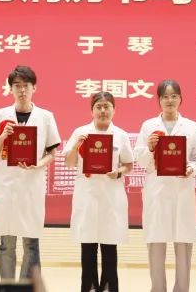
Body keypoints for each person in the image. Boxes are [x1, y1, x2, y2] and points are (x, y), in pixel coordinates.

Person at [0, 65, 62, 281]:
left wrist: (38, 164)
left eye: (26, 85)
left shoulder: (45, 116)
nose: (22, 90)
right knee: (6, 244)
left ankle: (26, 287)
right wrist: (3, 136)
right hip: (7, 186)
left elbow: (52, 153)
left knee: (31, 243)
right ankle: (8, 286)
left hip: (31, 184)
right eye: (16, 86)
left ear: (34, 87)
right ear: (10, 89)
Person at [133, 79, 196, 292]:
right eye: (165, 96)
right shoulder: (148, 126)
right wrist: (149, 148)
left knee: (183, 245)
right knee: (156, 243)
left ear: (181, 98)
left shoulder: (191, 126)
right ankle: (158, 288)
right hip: (157, 190)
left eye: (174, 96)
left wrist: (191, 168)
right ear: (159, 100)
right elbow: (140, 160)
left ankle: (182, 289)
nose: (170, 100)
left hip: (182, 190)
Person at [63, 91, 135, 292]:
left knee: (110, 245)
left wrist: (118, 172)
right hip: (87, 195)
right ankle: (89, 287)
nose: (103, 111)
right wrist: (77, 146)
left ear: (114, 110)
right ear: (92, 110)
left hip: (111, 195)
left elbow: (129, 164)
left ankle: (109, 287)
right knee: (88, 246)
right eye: (98, 107)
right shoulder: (80, 132)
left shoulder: (120, 134)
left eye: (107, 107)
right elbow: (69, 163)